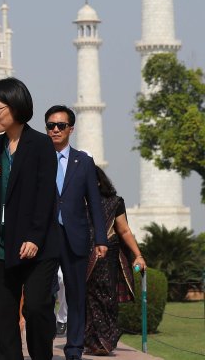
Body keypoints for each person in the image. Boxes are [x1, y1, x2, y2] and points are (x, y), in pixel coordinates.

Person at [0, 78, 59, 360]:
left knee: (36, 308)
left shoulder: (40, 145)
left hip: (38, 247)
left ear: (15, 106)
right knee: (5, 318)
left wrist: (35, 237)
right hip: (2, 245)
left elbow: (46, 195)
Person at [44, 105, 107, 360]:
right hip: (45, 238)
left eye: (60, 125)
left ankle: (74, 349)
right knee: (42, 296)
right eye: (51, 126)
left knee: (76, 294)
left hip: (75, 237)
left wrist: (101, 239)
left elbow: (94, 202)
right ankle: (43, 340)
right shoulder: (39, 158)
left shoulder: (84, 161)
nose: (55, 130)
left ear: (71, 128)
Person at [84, 166, 145, 356]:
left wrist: (138, 255)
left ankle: (105, 340)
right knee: (87, 298)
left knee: (106, 296)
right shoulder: (74, 204)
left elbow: (124, 230)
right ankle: (92, 341)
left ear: (99, 182)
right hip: (81, 255)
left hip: (107, 254)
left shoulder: (114, 202)